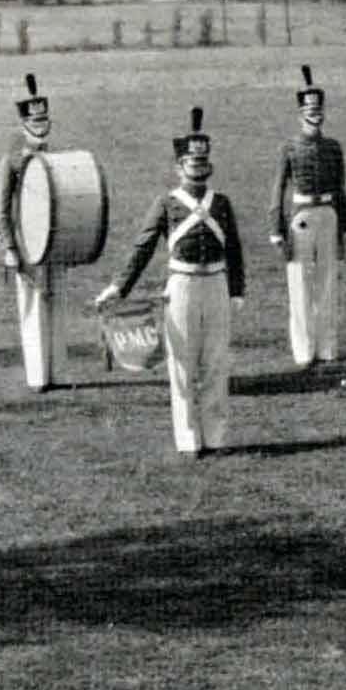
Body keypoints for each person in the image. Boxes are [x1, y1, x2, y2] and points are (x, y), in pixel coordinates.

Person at [95, 107, 246, 458]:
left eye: (202, 162)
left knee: (216, 363)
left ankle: (215, 437)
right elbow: (143, 247)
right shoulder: (166, 204)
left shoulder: (222, 203)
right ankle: (189, 439)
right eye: (192, 163)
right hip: (181, 286)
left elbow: (234, 249)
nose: (198, 167)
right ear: (179, 166)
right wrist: (119, 287)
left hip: (217, 284)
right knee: (182, 365)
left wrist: (237, 289)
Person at [268, 64, 346, 369]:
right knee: (301, 282)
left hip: (329, 215)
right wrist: (276, 229)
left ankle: (327, 347)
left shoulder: (333, 147)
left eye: (318, 109)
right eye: (309, 110)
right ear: (300, 113)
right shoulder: (289, 148)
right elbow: (278, 190)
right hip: (300, 218)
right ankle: (304, 349)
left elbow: (340, 188)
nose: (315, 114)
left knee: (327, 281)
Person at [0, 74, 70, 392]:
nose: (41, 124)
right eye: (35, 120)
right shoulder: (12, 160)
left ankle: (59, 374)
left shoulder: (55, 156)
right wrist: (9, 248)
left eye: (44, 119)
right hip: (27, 244)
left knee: (57, 303)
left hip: (55, 241)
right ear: (24, 122)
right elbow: (0, 210)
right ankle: (39, 377)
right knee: (33, 306)